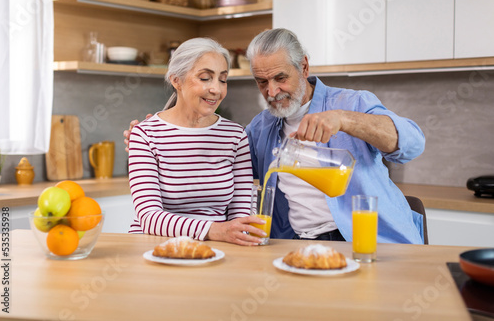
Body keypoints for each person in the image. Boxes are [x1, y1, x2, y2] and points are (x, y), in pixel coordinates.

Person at [125, 29, 426, 244]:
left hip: (368, 242)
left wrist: (343, 120)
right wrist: (153, 136)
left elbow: (412, 143)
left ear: (304, 67)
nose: (272, 92)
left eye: (280, 78)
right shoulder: (259, 128)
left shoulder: (351, 103)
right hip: (293, 244)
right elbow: (214, 163)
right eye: (261, 82)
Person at [127, 37, 266, 246]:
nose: (216, 89)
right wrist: (215, 230)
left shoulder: (236, 136)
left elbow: (241, 214)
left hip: (217, 250)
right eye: (205, 78)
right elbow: (149, 217)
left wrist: (232, 235)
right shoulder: (144, 134)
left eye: (222, 79)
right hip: (155, 250)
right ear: (176, 80)